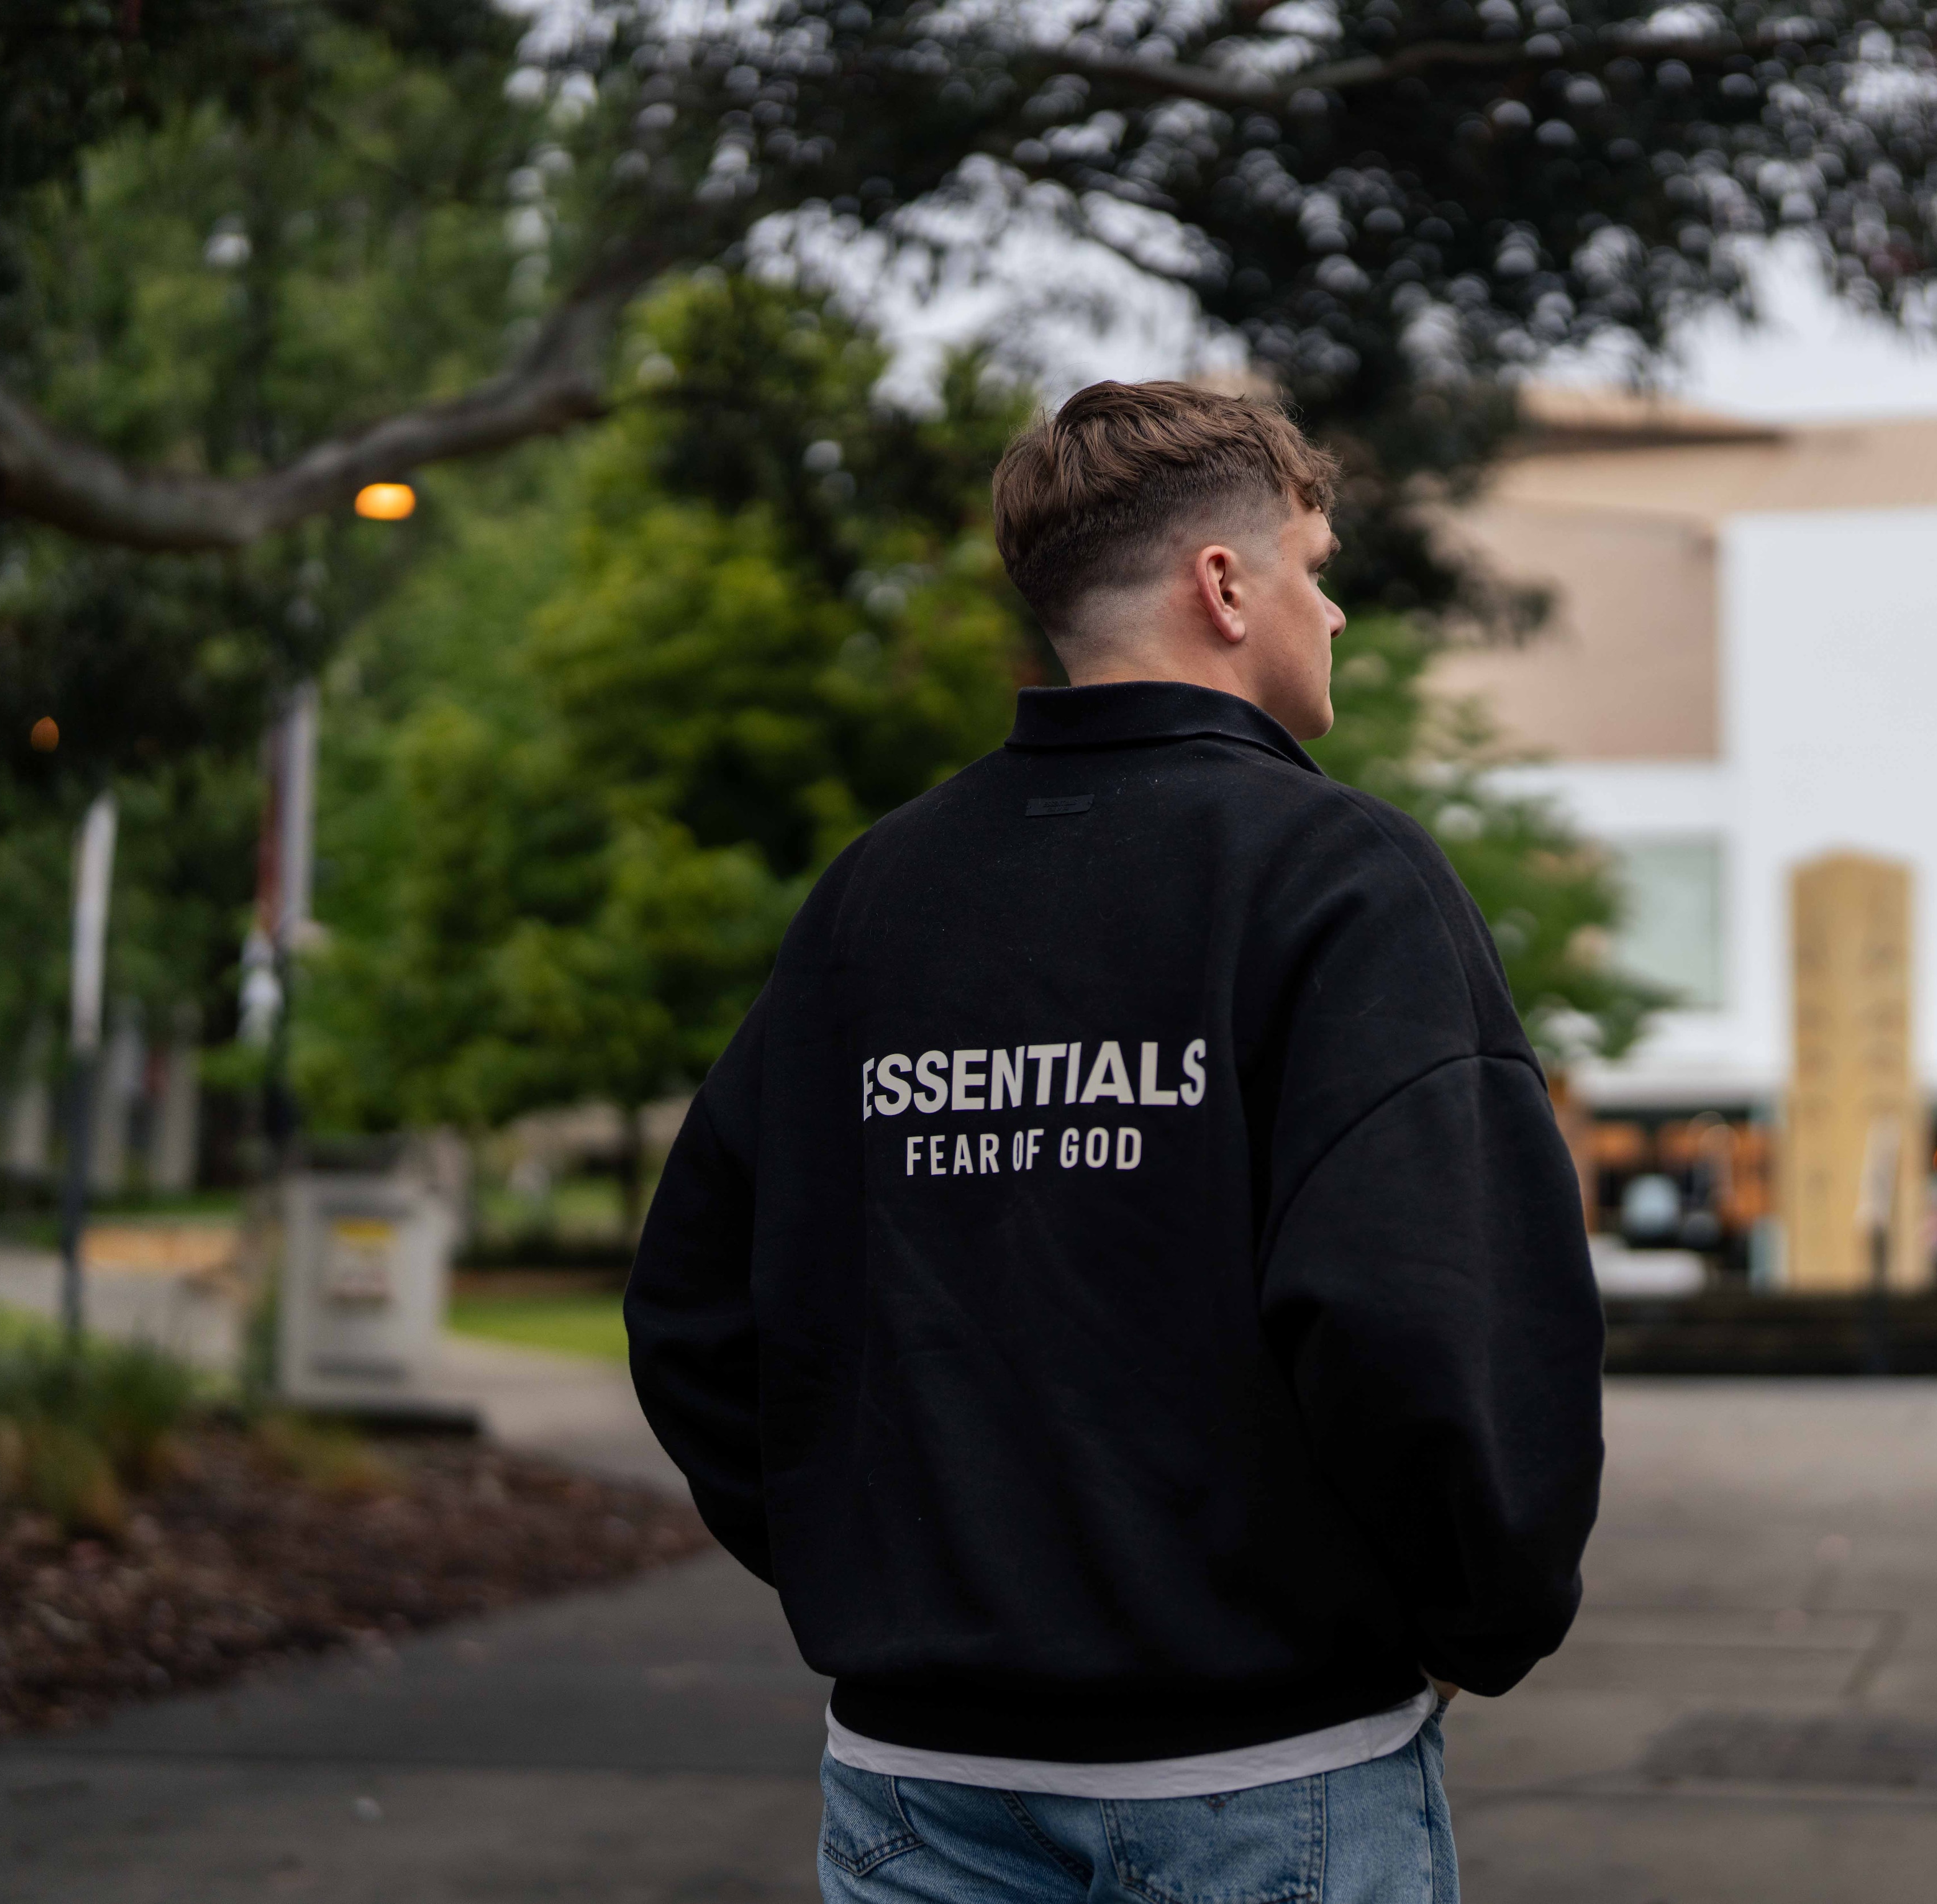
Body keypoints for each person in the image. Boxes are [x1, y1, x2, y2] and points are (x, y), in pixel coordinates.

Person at [625, 380, 1606, 1904]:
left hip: (917, 1784)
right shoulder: (1340, 882)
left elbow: (696, 1308)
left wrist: (899, 1577)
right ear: (1224, 585)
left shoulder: (876, 899)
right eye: (1316, 563)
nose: (1335, 611)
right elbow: (1425, 1316)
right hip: (1261, 1781)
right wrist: (1474, 1618)